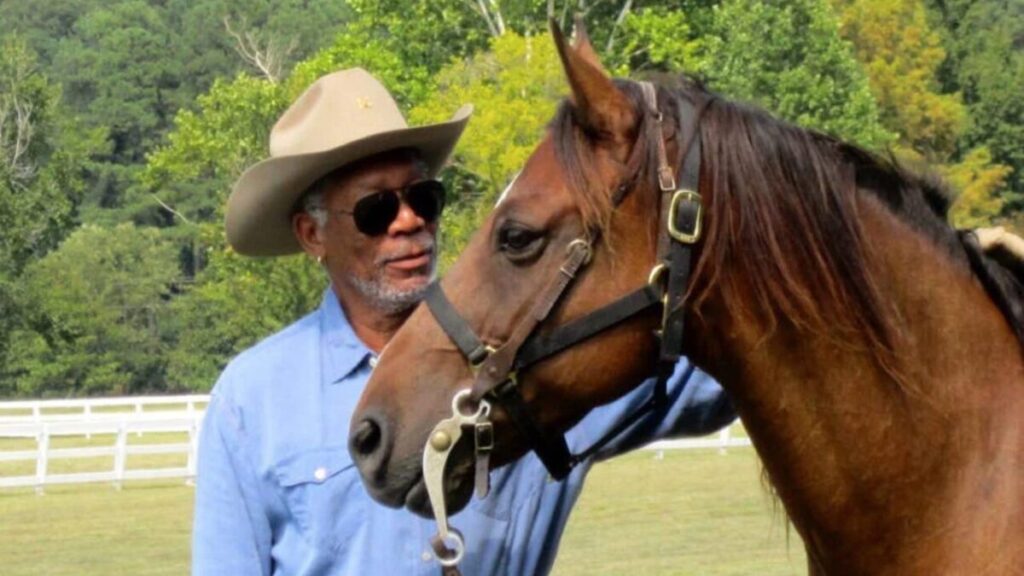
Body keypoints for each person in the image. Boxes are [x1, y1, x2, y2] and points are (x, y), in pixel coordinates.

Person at [192, 68, 735, 576]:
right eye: (375, 209)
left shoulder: (528, 364)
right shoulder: (251, 400)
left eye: (424, 199)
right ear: (312, 235)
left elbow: (746, 362)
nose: (408, 222)